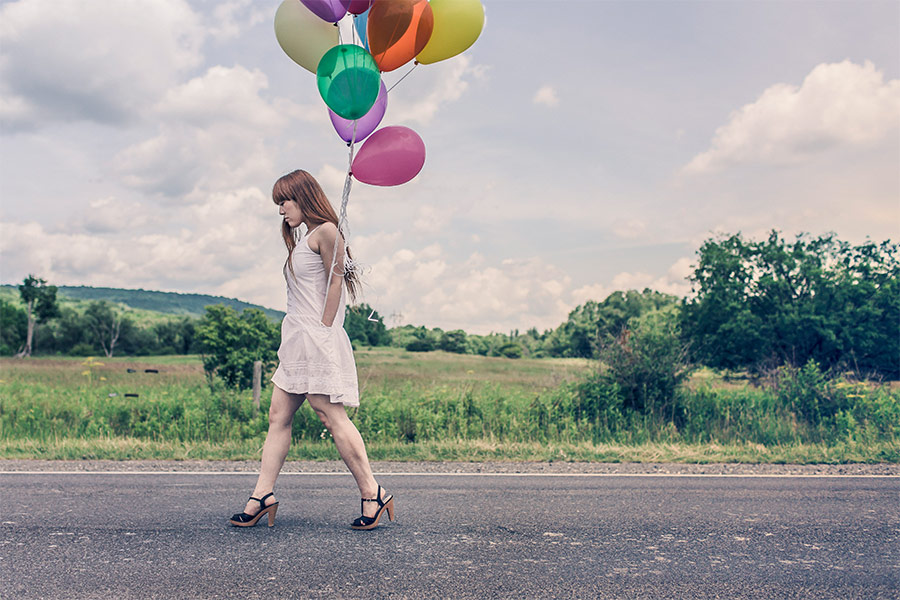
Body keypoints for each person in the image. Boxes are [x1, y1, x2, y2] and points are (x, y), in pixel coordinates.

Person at [229, 169, 393, 530]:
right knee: (277, 416)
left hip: (317, 337)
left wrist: (324, 330)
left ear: (303, 196)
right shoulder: (305, 238)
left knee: (329, 415)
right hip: (296, 340)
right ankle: (262, 496)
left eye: (284, 201)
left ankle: (373, 492)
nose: (281, 210)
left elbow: (335, 283)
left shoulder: (327, 232)